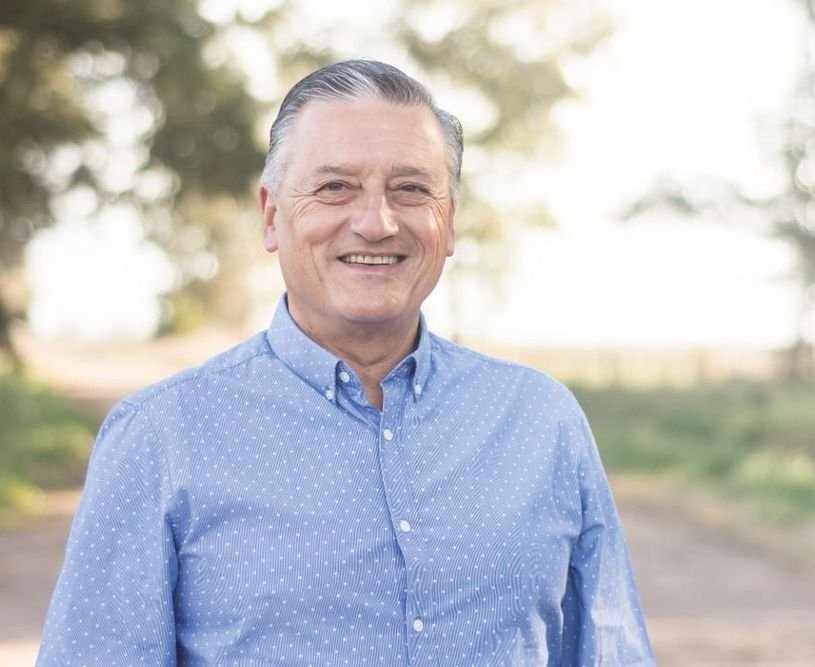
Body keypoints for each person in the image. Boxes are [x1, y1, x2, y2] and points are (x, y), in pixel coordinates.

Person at [37, 59, 654, 666]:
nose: (377, 222)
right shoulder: (160, 436)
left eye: (411, 190)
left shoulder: (542, 422)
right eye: (335, 187)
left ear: (449, 223)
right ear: (272, 216)